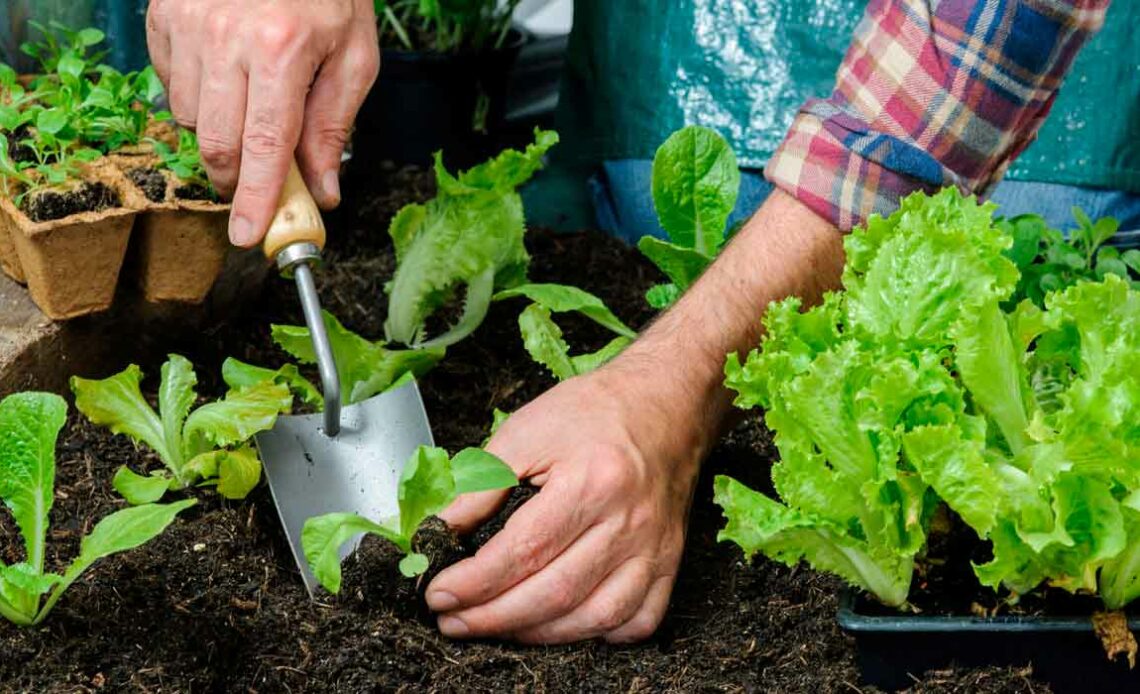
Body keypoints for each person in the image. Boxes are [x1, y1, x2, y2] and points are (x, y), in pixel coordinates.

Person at [145, 0, 1133, 644]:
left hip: (1036, 121)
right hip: (658, 83)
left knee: (1029, 262)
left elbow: (977, 44)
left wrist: (674, 385)